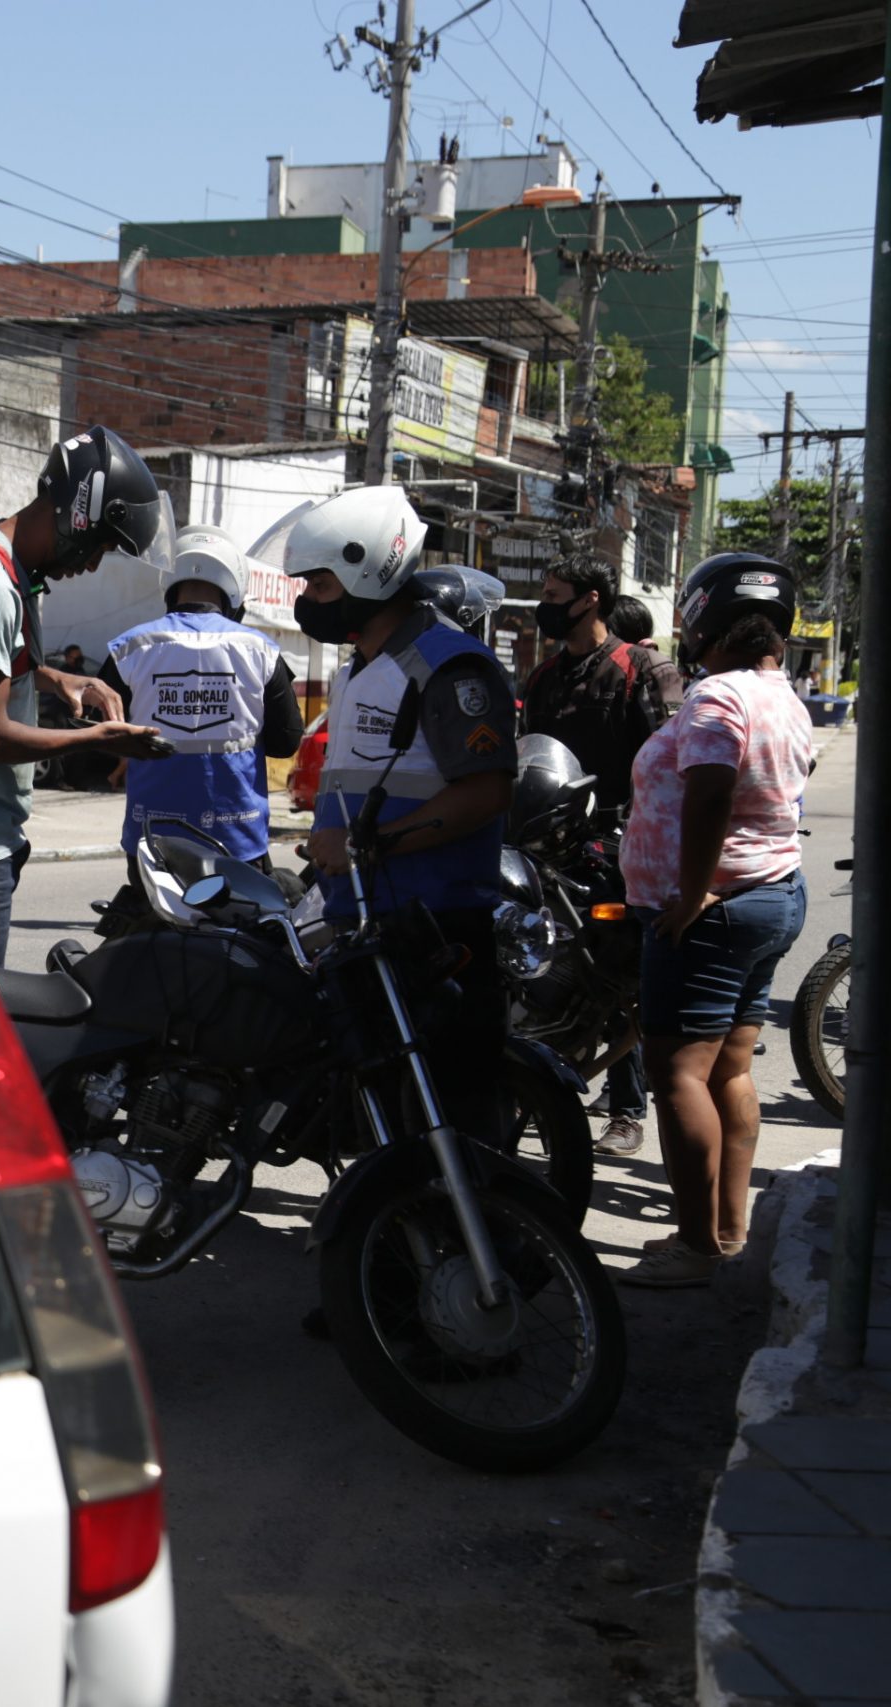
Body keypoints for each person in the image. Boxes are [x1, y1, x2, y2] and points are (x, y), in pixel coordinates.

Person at [286, 486, 517, 1143]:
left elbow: (486, 793)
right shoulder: (365, 666)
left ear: (369, 572)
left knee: (452, 1121)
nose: (308, 599)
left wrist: (367, 846)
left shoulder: (447, 666)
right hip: (370, 925)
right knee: (383, 1117)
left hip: (434, 929)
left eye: (321, 585)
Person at [617, 554, 813, 1287]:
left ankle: (698, 1248)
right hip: (769, 895)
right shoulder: (783, 695)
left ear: (705, 621)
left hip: (715, 909)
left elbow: (709, 797)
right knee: (729, 1065)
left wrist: (693, 892)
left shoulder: (716, 697)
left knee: (676, 1074)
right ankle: (726, 1230)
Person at [0, 425, 166, 966]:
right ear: (78, 515)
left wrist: (56, 678)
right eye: (99, 546)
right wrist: (98, 739)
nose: (90, 565)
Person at [524, 560, 680, 1157]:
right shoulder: (543, 678)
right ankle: (538, 1091)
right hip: (548, 851)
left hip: (620, 851)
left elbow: (670, 764)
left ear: (590, 601)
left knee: (616, 979)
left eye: (553, 595)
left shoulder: (640, 668)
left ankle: (626, 1110)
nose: (545, 604)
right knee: (540, 971)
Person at [99, 524, 304, 875]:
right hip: (237, 837)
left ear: (171, 584)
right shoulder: (260, 651)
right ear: (235, 587)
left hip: (151, 841)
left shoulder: (129, 649)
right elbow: (286, 742)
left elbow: (96, 741)